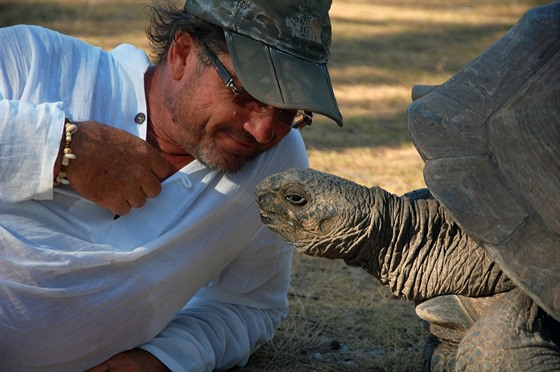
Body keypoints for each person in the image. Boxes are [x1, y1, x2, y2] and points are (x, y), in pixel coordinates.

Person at [0, 0, 343, 370]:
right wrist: (61, 147)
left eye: (288, 112)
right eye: (245, 94)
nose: (262, 131)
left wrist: (163, 358)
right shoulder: (33, 60)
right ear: (182, 53)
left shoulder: (275, 165)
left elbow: (249, 305)